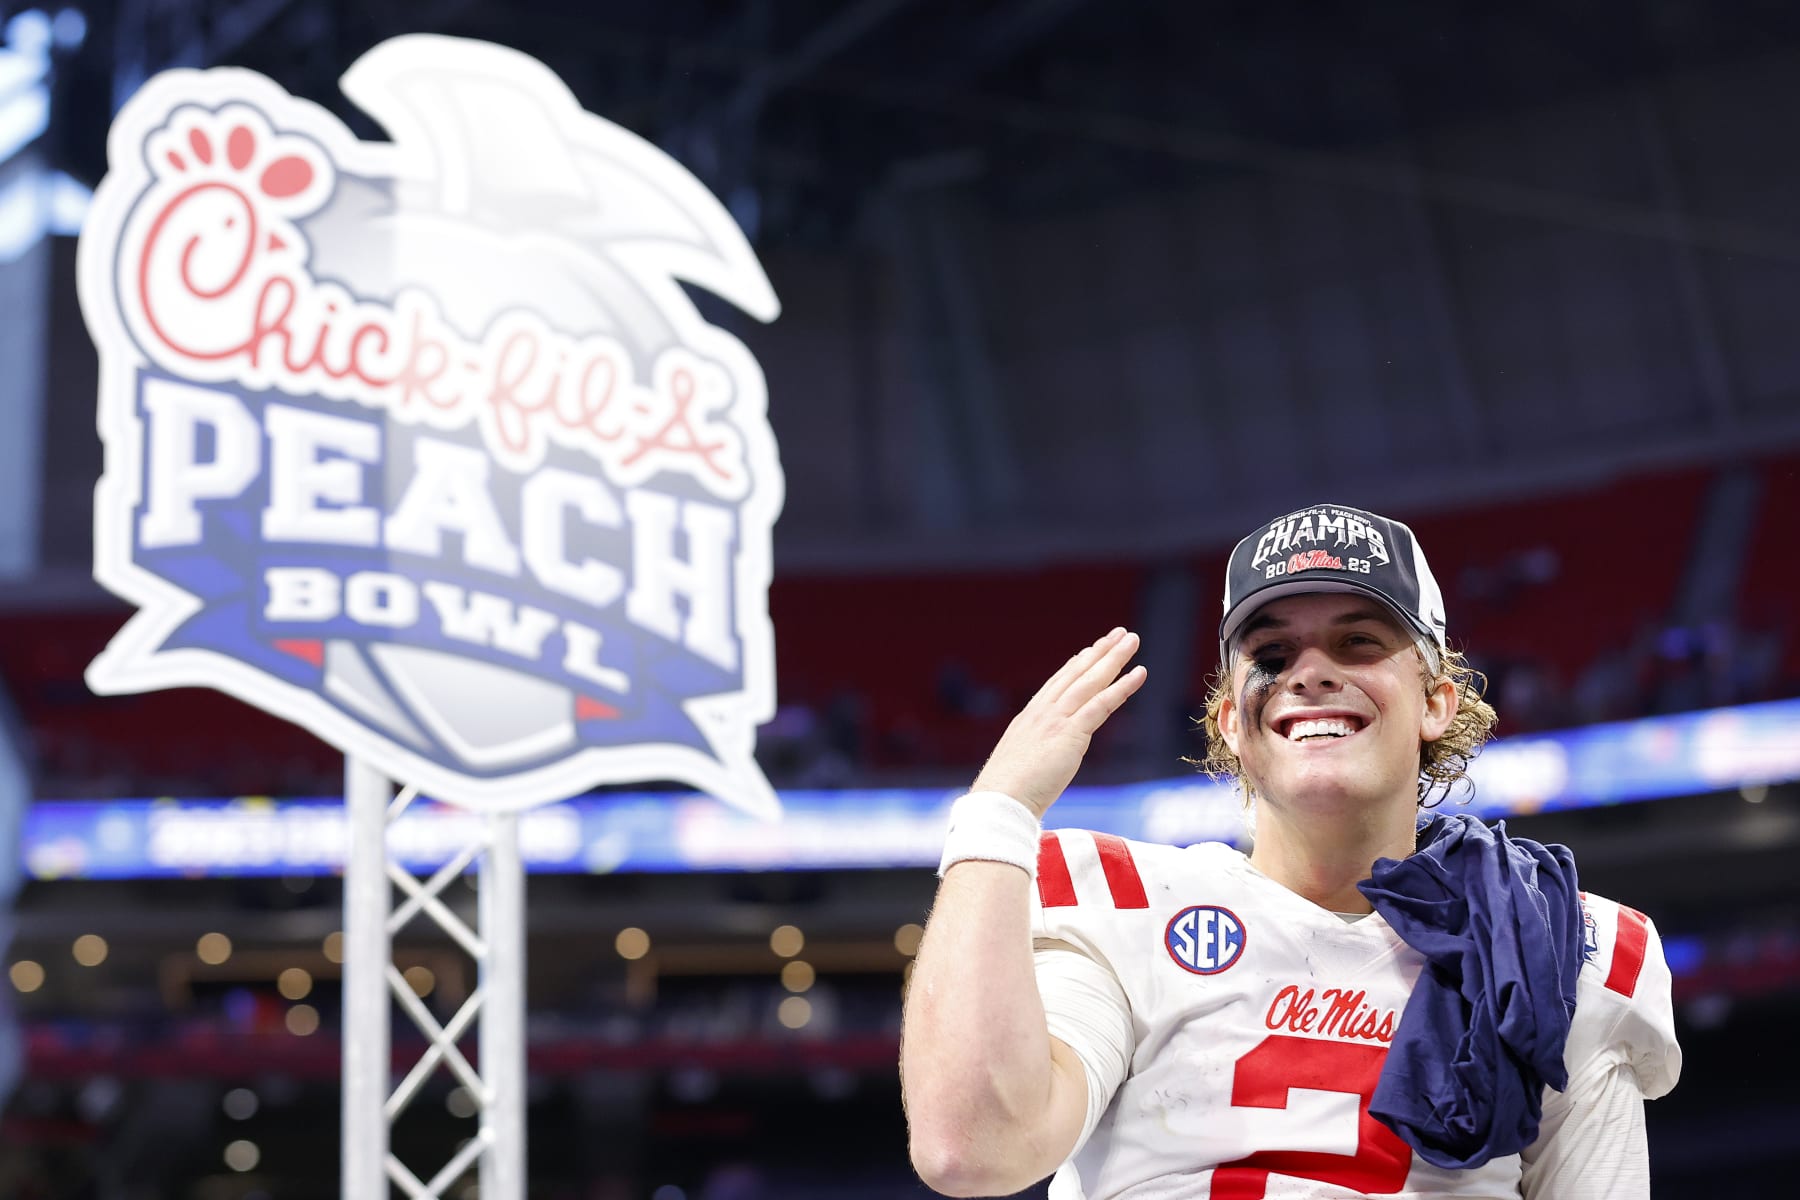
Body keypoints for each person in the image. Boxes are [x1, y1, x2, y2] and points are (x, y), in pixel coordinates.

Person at [901, 502, 1680, 1199]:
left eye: (1358, 642)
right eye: (1271, 655)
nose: (1310, 674)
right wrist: (998, 813)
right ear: (1230, 725)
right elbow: (972, 1150)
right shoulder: (1127, 909)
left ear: (1437, 701)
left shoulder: (1544, 944)